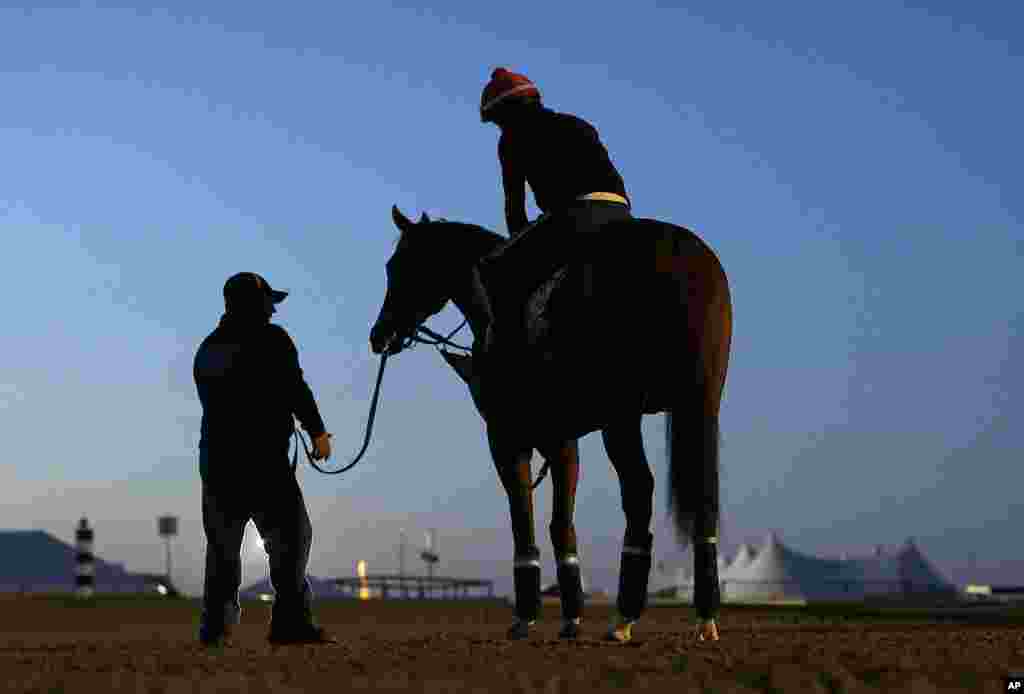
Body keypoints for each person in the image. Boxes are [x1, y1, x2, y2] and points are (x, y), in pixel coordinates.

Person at [193, 271, 335, 647]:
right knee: (292, 538)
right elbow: (295, 388)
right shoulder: (273, 340)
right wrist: (317, 432)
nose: (273, 310)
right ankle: (290, 623)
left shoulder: (207, 349)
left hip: (217, 464)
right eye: (268, 303)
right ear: (255, 305)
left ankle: (215, 629)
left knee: (222, 549)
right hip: (263, 465)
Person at [477, 66, 634, 346]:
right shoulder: (578, 123)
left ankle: (509, 358)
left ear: (504, 113)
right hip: (619, 211)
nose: (499, 128)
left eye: (497, 122)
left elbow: (515, 208)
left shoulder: (511, 139)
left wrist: (516, 248)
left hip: (573, 215)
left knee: (495, 271)